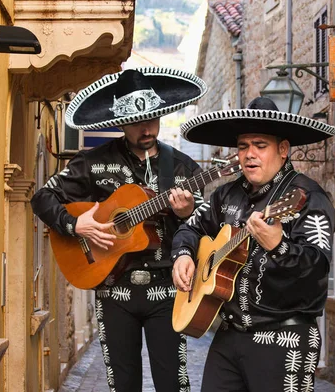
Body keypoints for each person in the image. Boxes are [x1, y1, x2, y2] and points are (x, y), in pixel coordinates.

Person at [31, 67, 209, 391]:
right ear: (120, 123)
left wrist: (187, 212)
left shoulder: (183, 167)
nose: (147, 128)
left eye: (153, 119)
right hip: (113, 288)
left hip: (168, 289)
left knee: (174, 383)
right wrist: (75, 224)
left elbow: (205, 227)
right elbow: (42, 197)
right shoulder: (92, 162)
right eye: (136, 121)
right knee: (123, 384)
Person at [171, 97, 335, 392]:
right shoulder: (225, 196)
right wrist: (183, 255)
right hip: (229, 335)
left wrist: (279, 246)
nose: (249, 155)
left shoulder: (308, 198)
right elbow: (191, 227)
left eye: (260, 145)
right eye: (243, 146)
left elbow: (316, 267)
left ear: (283, 150)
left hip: (284, 338)